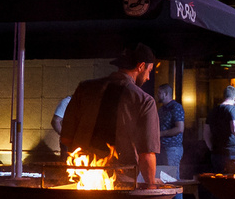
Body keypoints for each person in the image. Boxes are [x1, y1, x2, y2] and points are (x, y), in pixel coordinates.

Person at [59, 46, 161, 185]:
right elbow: (147, 154)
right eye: (149, 71)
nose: (148, 77)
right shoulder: (144, 101)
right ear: (141, 66)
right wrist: (151, 184)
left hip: (81, 179)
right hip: (120, 182)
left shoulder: (84, 88)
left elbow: (66, 138)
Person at [155, 84, 186, 199]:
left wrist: (160, 134)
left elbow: (180, 128)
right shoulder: (162, 109)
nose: (158, 95)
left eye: (160, 93)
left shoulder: (176, 107)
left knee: (173, 179)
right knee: (164, 179)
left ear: (166, 94)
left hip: (172, 147)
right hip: (163, 147)